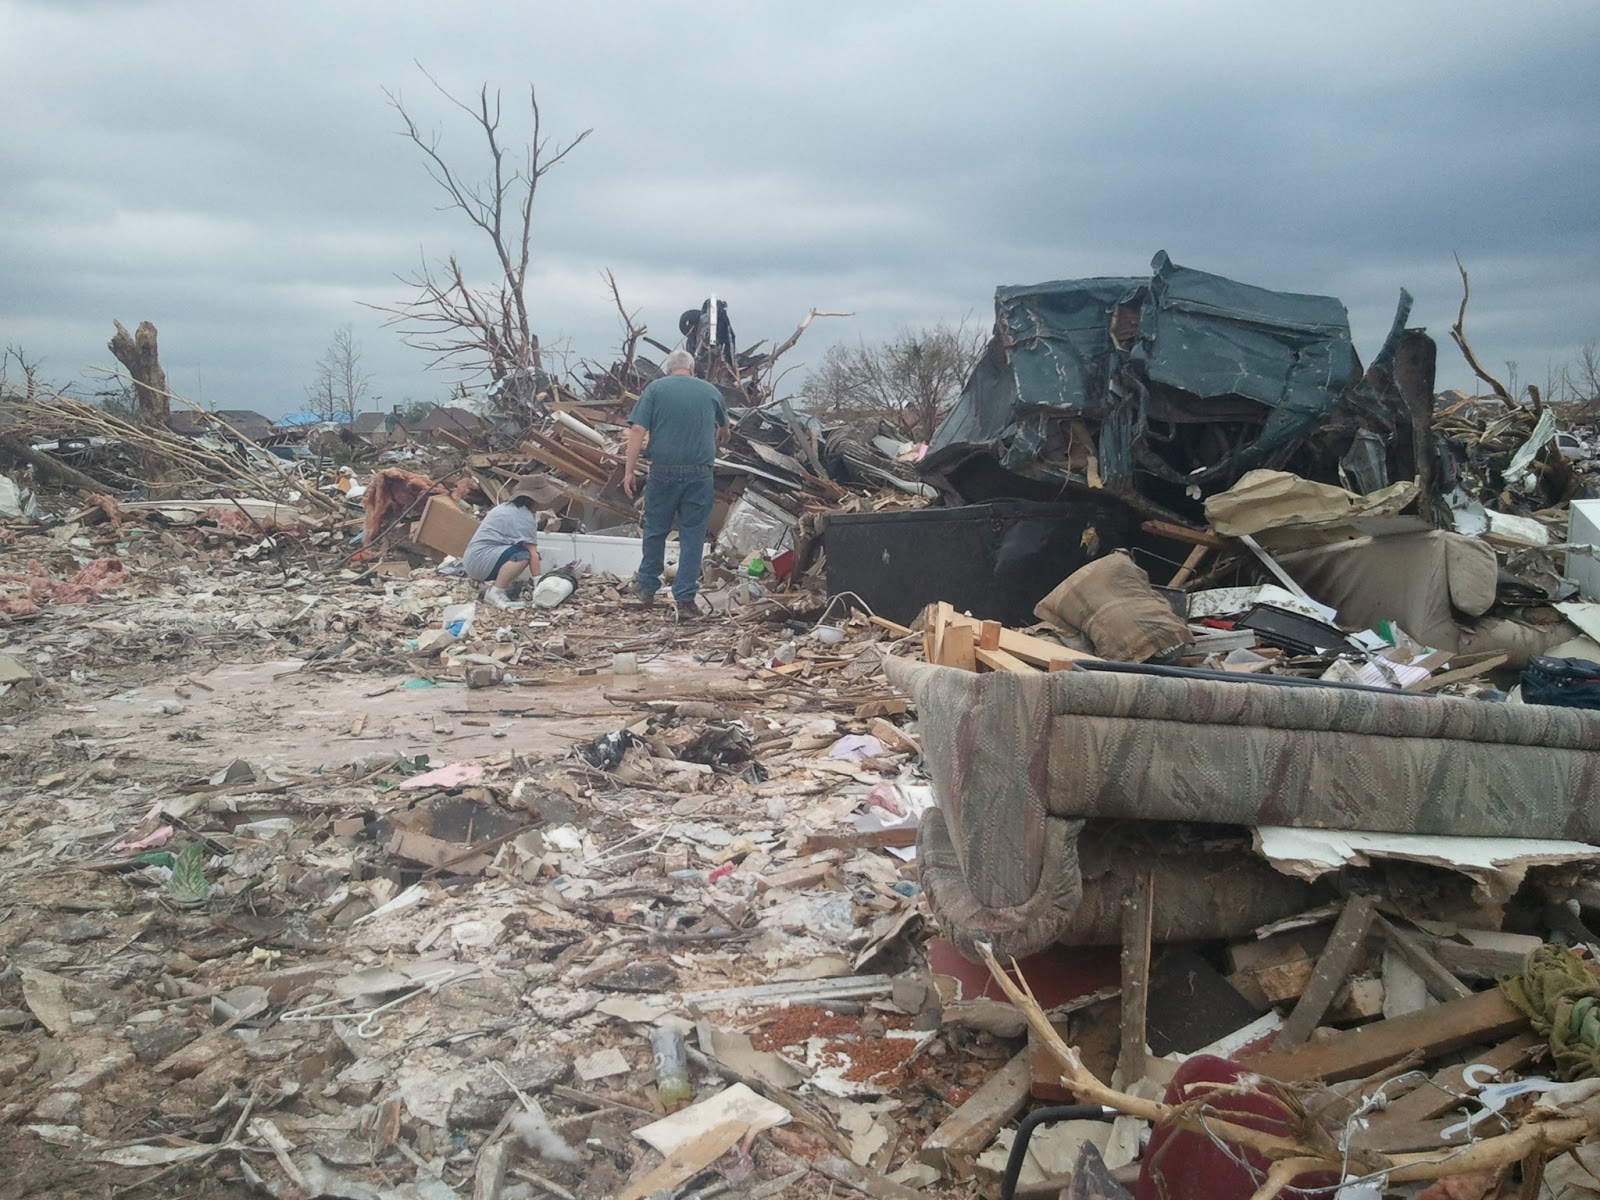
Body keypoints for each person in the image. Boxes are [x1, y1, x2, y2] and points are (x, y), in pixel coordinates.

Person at [624, 348, 728, 617]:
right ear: (692, 369)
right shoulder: (710, 391)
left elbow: (637, 429)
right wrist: (718, 434)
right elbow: (724, 429)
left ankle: (647, 587)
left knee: (655, 529)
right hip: (699, 473)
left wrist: (629, 471)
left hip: (663, 471)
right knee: (693, 534)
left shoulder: (655, 389)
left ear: (669, 369)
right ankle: (685, 600)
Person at [462, 477, 546, 608]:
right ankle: (496, 592)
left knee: (521, 552)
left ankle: (498, 587)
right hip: (480, 562)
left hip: (473, 559)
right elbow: (532, 553)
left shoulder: (504, 507)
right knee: (523, 555)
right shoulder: (524, 516)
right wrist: (539, 584)